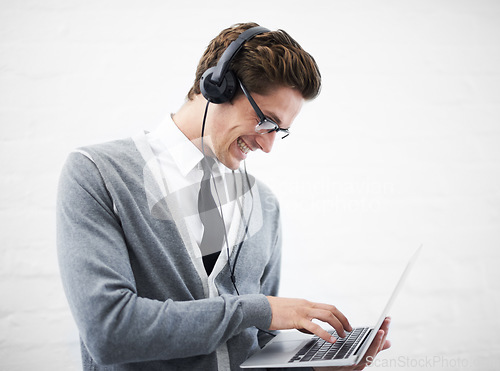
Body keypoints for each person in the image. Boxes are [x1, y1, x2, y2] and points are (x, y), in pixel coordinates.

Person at [57, 22, 390, 371]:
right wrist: (257, 308)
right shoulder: (97, 174)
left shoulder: (264, 203)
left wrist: (314, 368)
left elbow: (258, 342)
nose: (267, 144)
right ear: (217, 87)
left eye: (280, 131)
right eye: (265, 120)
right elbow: (109, 332)